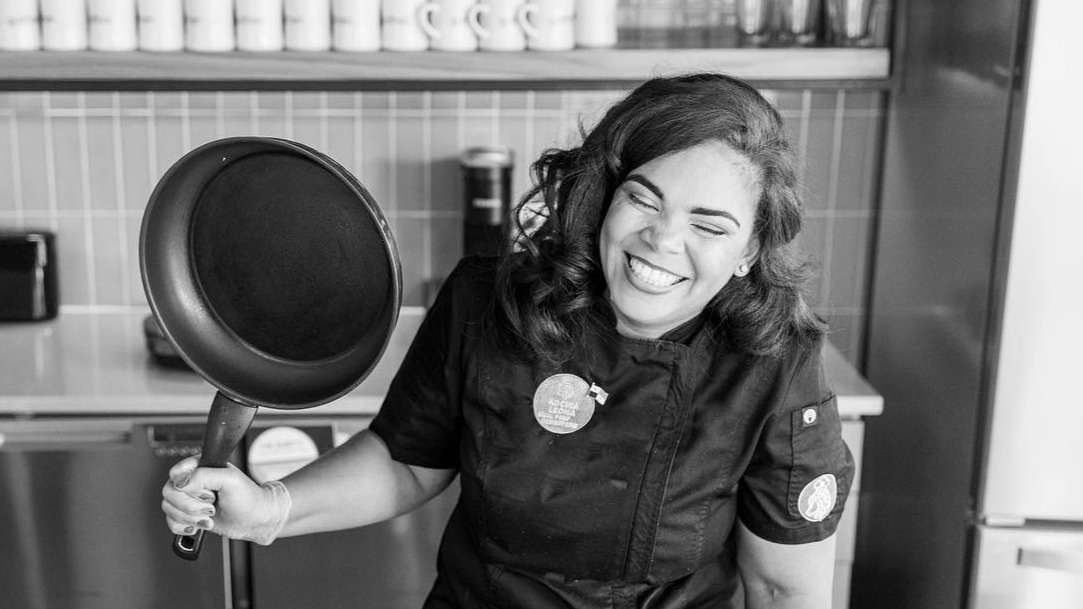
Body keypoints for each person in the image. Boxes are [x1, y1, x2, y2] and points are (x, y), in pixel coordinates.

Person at [162, 73, 854, 609]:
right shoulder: (486, 299)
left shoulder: (771, 365)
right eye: (644, 197)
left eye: (709, 224)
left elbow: (783, 591)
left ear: (747, 251)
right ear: (605, 194)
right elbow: (406, 463)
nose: (662, 241)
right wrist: (271, 509)